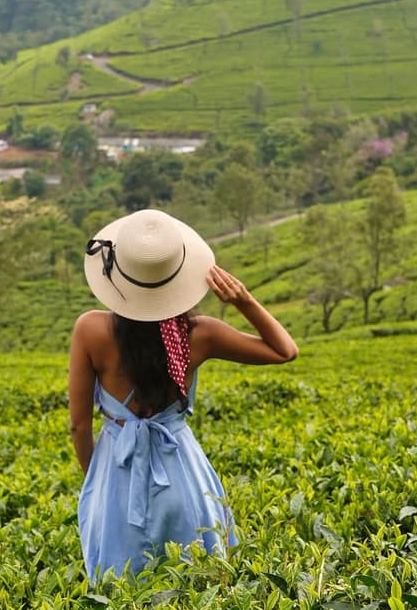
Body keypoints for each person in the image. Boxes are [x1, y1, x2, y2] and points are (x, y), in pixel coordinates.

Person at [68, 208, 298, 579]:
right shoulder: (200, 334)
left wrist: (95, 479)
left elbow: (79, 426)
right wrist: (243, 301)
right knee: (198, 582)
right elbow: (284, 350)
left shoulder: (90, 330)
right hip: (182, 472)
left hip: (117, 473)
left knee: (122, 590)